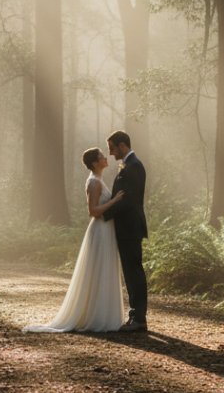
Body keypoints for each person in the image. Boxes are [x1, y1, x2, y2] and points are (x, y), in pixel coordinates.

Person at [23, 147, 126, 332]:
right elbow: (93, 211)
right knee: (98, 270)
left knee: (103, 270)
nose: (105, 157)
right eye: (102, 156)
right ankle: (96, 317)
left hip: (106, 230)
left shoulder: (99, 180)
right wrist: (114, 201)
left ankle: (102, 314)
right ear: (95, 162)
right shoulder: (94, 183)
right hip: (100, 230)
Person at [102, 130, 148, 332]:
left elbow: (128, 200)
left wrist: (102, 215)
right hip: (126, 227)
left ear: (122, 145)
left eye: (112, 148)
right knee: (130, 272)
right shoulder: (129, 165)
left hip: (130, 227)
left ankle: (139, 318)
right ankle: (135, 315)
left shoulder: (133, 167)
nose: (111, 153)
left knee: (134, 272)